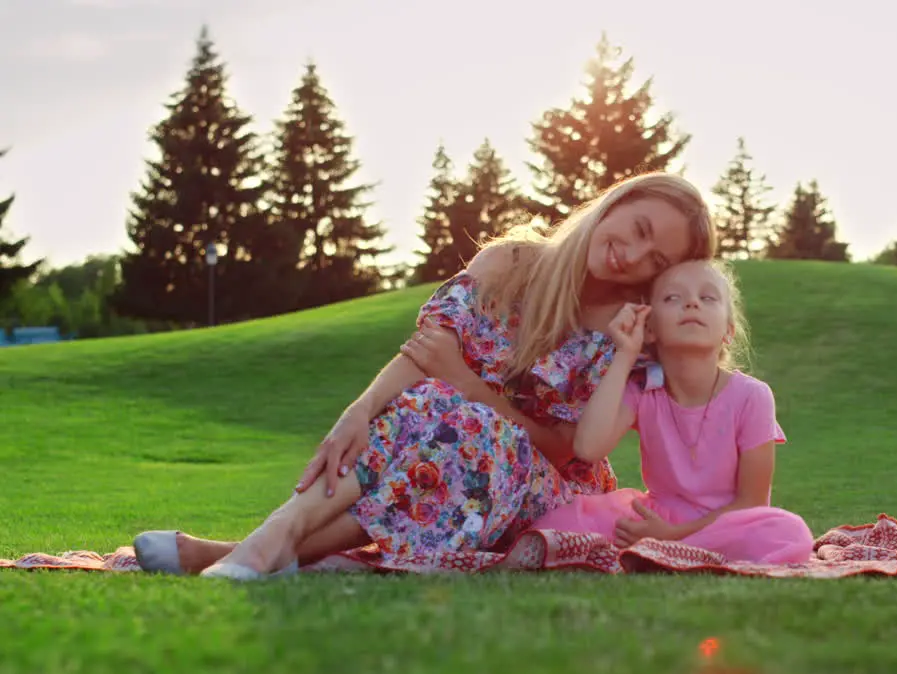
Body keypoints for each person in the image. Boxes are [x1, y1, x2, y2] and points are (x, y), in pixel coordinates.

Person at [131, 172, 717, 579]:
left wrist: (472, 389)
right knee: (440, 408)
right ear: (613, 204)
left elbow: (571, 452)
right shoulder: (509, 265)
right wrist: (358, 412)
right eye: (638, 230)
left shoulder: (627, 334)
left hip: (546, 494)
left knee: (465, 418)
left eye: (656, 261)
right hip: (448, 447)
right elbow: (423, 354)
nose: (632, 257)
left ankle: (248, 546)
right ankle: (275, 538)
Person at [529, 259, 814, 564]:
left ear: (728, 332)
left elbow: (752, 501)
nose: (691, 303)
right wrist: (625, 353)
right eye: (672, 298)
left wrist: (672, 535)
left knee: (788, 531)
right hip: (654, 519)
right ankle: (665, 551)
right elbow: (588, 447)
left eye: (707, 298)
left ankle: (668, 550)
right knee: (567, 520)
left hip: (729, 525)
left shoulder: (752, 396)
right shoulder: (643, 390)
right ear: (650, 329)